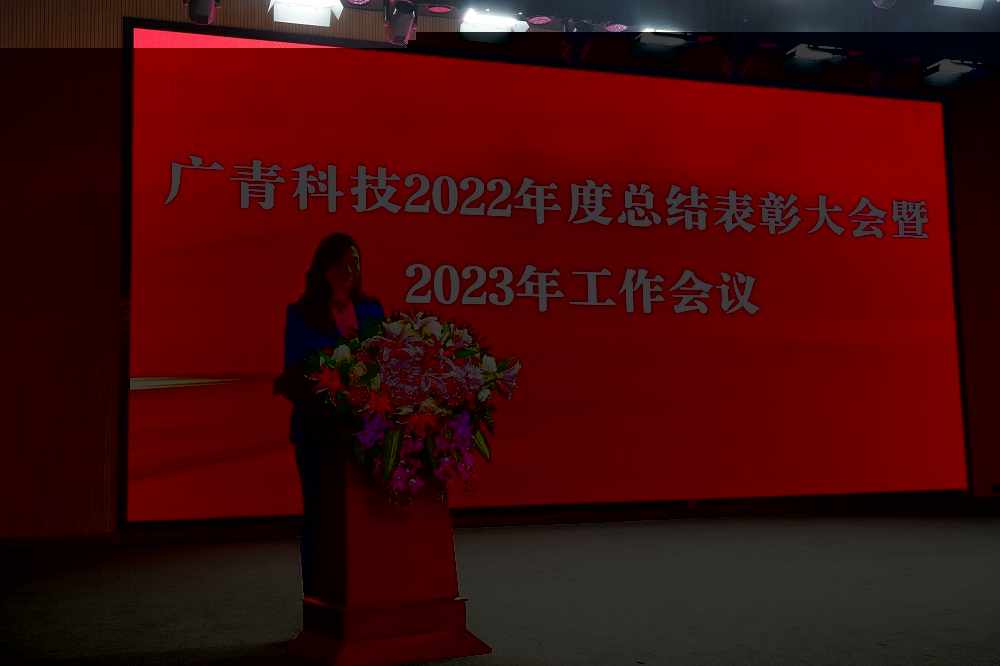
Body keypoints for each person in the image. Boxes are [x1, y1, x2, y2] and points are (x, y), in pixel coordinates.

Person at [273, 233, 385, 599]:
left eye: (355, 262)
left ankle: (364, 593)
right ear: (323, 269)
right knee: (320, 515)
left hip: (364, 432)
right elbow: (294, 372)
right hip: (316, 433)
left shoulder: (372, 310)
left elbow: (385, 364)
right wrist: (336, 388)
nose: (348, 270)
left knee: (364, 516)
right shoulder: (300, 313)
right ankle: (317, 596)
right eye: (340, 264)